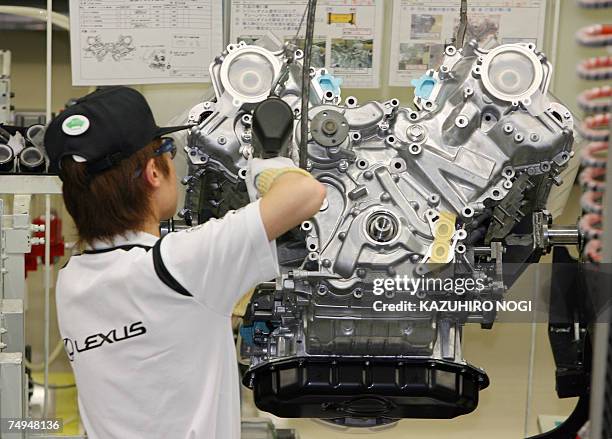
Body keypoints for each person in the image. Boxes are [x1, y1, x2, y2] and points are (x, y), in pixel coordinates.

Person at [44, 86, 326, 439]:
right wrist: (266, 167)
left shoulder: (72, 281)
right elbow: (306, 194)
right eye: (168, 151)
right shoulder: (178, 265)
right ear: (154, 172)